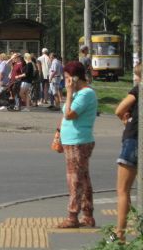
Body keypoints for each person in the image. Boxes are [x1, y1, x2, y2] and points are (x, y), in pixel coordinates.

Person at [56, 61, 98, 229]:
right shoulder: (77, 94)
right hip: (71, 140)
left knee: (75, 179)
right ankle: (88, 215)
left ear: (75, 78)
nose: (65, 81)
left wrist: (69, 92)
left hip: (78, 141)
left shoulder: (86, 94)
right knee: (83, 178)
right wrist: (58, 133)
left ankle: (73, 216)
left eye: (67, 77)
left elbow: (69, 114)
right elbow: (64, 115)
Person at [112, 63, 141, 243]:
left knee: (123, 190)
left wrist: (125, 120)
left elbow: (119, 110)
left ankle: (120, 235)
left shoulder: (138, 90)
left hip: (133, 140)